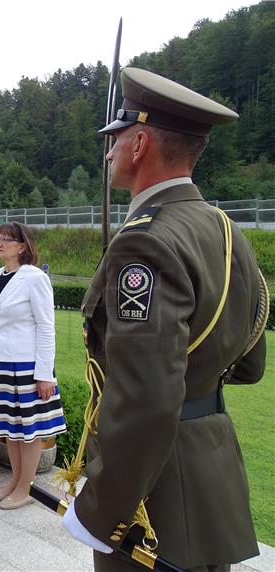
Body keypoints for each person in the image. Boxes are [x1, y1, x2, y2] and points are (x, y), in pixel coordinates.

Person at [61, 68, 268, 571]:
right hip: (209, 465)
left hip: (152, 499)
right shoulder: (223, 227)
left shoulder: (145, 241)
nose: (108, 151)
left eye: (116, 138)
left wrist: (100, 512)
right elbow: (251, 360)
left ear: (140, 145)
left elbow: (146, 399)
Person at [0, 222, 65, 509]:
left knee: (28, 430)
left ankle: (27, 488)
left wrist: (44, 375)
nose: (0, 243)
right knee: (9, 427)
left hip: (27, 366)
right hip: (1, 362)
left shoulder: (33, 278)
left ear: (23, 246)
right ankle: (15, 480)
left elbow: (46, 327)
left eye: (7, 239)